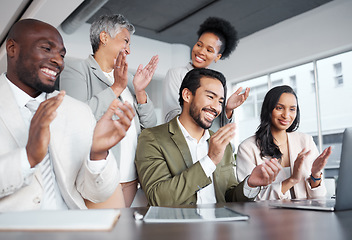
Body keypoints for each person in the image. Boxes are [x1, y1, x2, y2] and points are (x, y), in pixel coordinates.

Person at [0, 18, 136, 211]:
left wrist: (98, 155)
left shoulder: (77, 111)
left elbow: (97, 194)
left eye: (62, 54)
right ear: (12, 49)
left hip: (72, 228)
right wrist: (28, 157)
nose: (58, 60)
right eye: (46, 49)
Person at [135, 68, 282, 206]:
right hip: (178, 229)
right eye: (210, 97)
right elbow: (158, 199)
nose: (216, 107)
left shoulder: (223, 144)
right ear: (187, 95)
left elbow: (229, 197)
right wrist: (210, 160)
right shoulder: (152, 138)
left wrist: (251, 183)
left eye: (220, 101)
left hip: (220, 228)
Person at [60, 14, 158, 207]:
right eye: (126, 41)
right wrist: (116, 88)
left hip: (131, 179)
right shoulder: (77, 70)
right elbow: (76, 119)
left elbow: (151, 127)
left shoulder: (129, 80)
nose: (129, 50)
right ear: (104, 38)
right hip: (100, 179)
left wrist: (140, 91)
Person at [236, 85, 332, 200]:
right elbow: (250, 198)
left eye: (292, 109)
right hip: (268, 216)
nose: (286, 115)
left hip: (306, 215)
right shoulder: (247, 148)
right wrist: (292, 180)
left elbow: (319, 197)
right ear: (268, 109)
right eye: (279, 108)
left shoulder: (306, 141)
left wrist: (316, 174)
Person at [162, 17, 250, 129]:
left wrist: (228, 109)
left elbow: (218, 129)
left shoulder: (218, 83)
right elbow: (171, 116)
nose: (201, 51)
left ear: (217, 57)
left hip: (208, 143)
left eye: (209, 50)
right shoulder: (176, 74)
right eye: (199, 45)